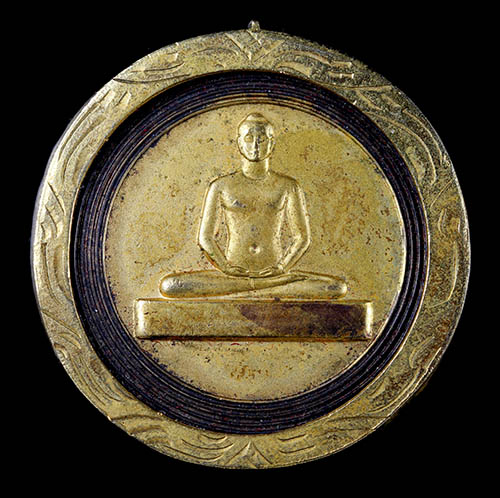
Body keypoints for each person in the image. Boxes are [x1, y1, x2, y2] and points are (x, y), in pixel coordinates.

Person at [160, 113, 347, 299]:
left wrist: (282, 268)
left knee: (335, 287)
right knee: (171, 285)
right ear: (239, 143)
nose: (255, 146)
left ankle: (254, 288)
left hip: (275, 274)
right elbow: (205, 238)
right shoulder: (221, 186)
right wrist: (226, 268)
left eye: (262, 139)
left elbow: (302, 238)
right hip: (232, 275)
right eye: (249, 138)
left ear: (272, 143)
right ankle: (259, 289)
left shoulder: (288, 186)